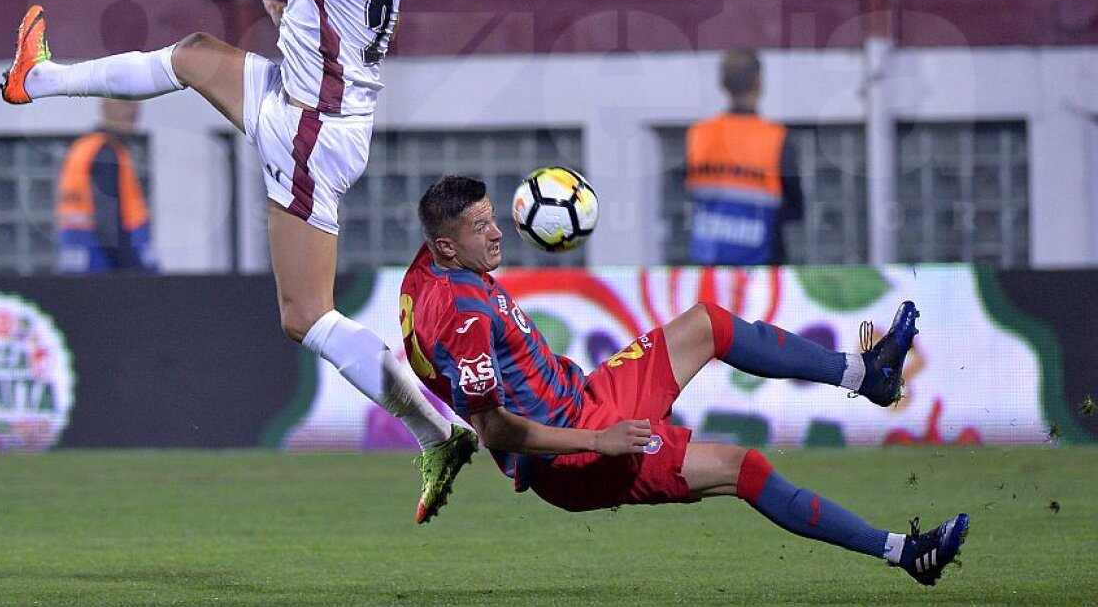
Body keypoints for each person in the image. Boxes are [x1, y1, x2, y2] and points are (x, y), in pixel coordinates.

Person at [0, 0, 476, 523]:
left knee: (305, 315)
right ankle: (37, 79)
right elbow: (351, 18)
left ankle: (435, 429)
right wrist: (301, 29)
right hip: (304, 97)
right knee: (192, 55)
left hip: (311, 132)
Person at [400, 175, 970, 587]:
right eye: (482, 228)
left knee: (708, 324)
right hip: (574, 455)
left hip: (584, 397)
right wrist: (598, 441)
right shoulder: (464, 316)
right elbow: (495, 431)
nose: (499, 234)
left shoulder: (431, 269)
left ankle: (866, 373)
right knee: (743, 469)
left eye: (494, 217)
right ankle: (905, 554)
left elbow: (420, 342)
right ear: (447, 244)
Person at [685, 48, 804, 265]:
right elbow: (796, 210)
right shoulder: (777, 138)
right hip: (762, 271)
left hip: (708, 269)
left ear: (722, 84)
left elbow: (688, 194)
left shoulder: (698, 135)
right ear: (759, 83)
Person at [56, 98, 157, 273]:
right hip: (105, 268)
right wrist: (135, 271)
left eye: (136, 103)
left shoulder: (82, 149)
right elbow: (109, 226)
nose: (133, 111)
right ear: (104, 105)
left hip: (80, 266)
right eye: (125, 103)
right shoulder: (106, 153)